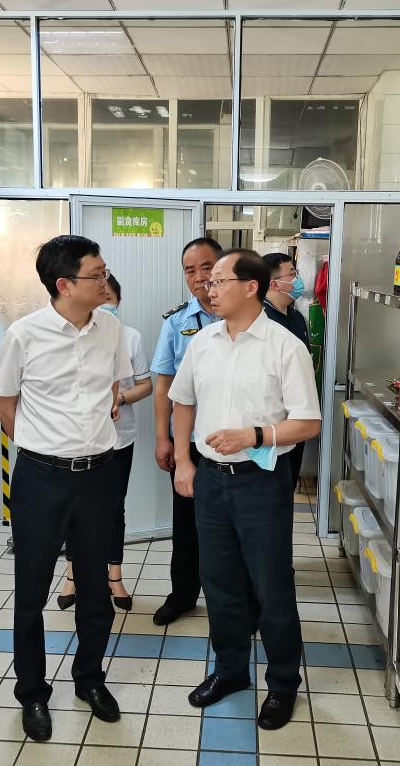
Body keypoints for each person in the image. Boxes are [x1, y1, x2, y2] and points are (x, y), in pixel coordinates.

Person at [169, 249, 321, 731]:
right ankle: (231, 670)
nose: (208, 288)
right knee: (219, 583)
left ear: (251, 287)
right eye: (208, 282)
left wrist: (254, 435)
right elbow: (182, 403)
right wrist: (183, 461)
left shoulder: (285, 347)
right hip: (211, 481)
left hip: (261, 482)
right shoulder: (202, 343)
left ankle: (283, 684)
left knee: (271, 586)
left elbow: (308, 422)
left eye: (218, 281)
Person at [0, 235, 132, 742]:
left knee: (94, 586)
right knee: (31, 589)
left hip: (98, 474)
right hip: (41, 477)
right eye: (96, 274)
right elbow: (5, 403)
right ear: (64, 284)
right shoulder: (24, 334)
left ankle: (89, 679)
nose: (105, 281)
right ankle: (32, 692)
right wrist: (43, 446)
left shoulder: (111, 328)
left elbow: (113, 387)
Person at [59, 274, 152, 612]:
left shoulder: (130, 337)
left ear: (118, 301)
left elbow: (146, 384)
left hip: (119, 437)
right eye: (98, 295)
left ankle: (114, 575)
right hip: (78, 439)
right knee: (75, 507)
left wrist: (120, 399)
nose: (103, 302)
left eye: (109, 297)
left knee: (113, 508)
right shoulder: (70, 336)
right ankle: (72, 574)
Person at [149, 236, 223, 626]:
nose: (198, 277)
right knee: (187, 522)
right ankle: (182, 595)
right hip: (189, 443)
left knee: (233, 526)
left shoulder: (246, 315)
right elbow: (164, 384)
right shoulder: (177, 322)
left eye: (206, 267)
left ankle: (236, 600)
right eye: (189, 270)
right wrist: (164, 438)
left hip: (236, 443)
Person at [262, 252, 311, 493]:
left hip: (296, 420)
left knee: (287, 485)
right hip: (270, 424)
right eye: (292, 274)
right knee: (270, 490)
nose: (298, 280)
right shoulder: (261, 321)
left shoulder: (296, 317)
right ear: (275, 284)